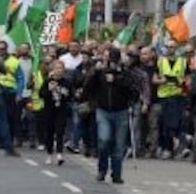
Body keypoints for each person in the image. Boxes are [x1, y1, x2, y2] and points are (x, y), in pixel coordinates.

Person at [85, 47, 138, 184]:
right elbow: (88, 88)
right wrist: (95, 73)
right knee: (104, 140)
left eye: (113, 59)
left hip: (121, 111)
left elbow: (133, 92)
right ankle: (102, 169)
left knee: (119, 145)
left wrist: (117, 80)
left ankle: (117, 173)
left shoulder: (125, 73)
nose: (110, 62)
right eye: (108, 58)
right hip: (103, 111)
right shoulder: (99, 72)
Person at [40, 59, 72, 166]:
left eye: (61, 68)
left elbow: (71, 95)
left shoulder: (66, 82)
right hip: (49, 110)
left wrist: (66, 94)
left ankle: (59, 153)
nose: (59, 70)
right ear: (53, 70)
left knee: (60, 131)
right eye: (57, 68)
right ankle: (49, 153)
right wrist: (49, 90)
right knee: (49, 132)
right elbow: (41, 94)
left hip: (61, 110)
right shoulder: (48, 81)